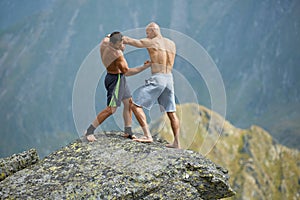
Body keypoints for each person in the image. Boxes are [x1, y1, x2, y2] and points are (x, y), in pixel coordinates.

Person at [84, 31, 151, 142]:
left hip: (114, 76)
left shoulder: (105, 41)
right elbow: (127, 72)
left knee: (128, 103)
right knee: (111, 109)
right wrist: (144, 67)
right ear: (113, 44)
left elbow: (111, 35)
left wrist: (120, 39)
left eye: (122, 43)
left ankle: (128, 132)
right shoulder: (117, 54)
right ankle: (89, 131)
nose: (122, 46)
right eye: (119, 45)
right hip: (116, 80)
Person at [123, 22, 180, 148]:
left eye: (147, 33)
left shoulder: (152, 42)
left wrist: (114, 37)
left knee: (135, 105)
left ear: (153, 31)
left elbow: (132, 41)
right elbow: (163, 58)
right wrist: (153, 62)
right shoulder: (171, 44)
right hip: (169, 78)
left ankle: (147, 136)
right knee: (171, 111)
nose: (146, 36)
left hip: (158, 78)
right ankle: (176, 143)